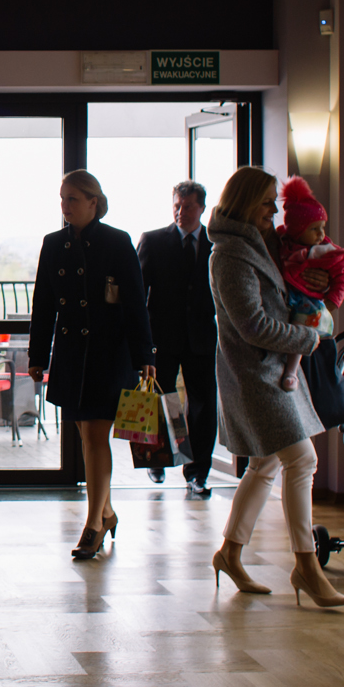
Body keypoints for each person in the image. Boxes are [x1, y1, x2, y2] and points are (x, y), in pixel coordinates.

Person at [206, 166, 344, 608]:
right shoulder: (230, 255)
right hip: (254, 374)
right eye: (267, 203)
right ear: (247, 203)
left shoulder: (265, 242)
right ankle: (306, 565)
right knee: (302, 459)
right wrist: (308, 339)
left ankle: (229, 553)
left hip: (270, 370)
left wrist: (319, 280)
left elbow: (305, 264)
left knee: (265, 463)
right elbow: (252, 325)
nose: (274, 211)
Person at [28, 169, 154, 560]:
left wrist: (145, 356)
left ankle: (93, 525)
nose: (64, 206)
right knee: (86, 437)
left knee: (97, 436)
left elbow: (135, 303)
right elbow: (43, 303)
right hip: (70, 354)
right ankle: (108, 511)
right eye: (62, 198)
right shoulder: (53, 244)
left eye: (72, 199)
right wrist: (37, 355)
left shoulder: (117, 241)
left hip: (108, 354)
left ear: (93, 202)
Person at [136, 180, 219, 499]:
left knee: (202, 406)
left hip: (202, 338)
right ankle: (157, 459)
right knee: (161, 399)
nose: (180, 212)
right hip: (162, 337)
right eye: (176, 206)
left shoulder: (215, 244)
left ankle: (197, 473)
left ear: (202, 208)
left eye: (187, 206)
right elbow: (138, 292)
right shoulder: (154, 240)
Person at [274, 176, 344, 390]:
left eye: (322, 227)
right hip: (289, 301)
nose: (321, 234)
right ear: (297, 230)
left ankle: (291, 372)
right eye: (314, 229)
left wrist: (330, 304)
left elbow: (342, 275)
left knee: (300, 328)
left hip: (311, 306)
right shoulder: (282, 244)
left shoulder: (325, 251)